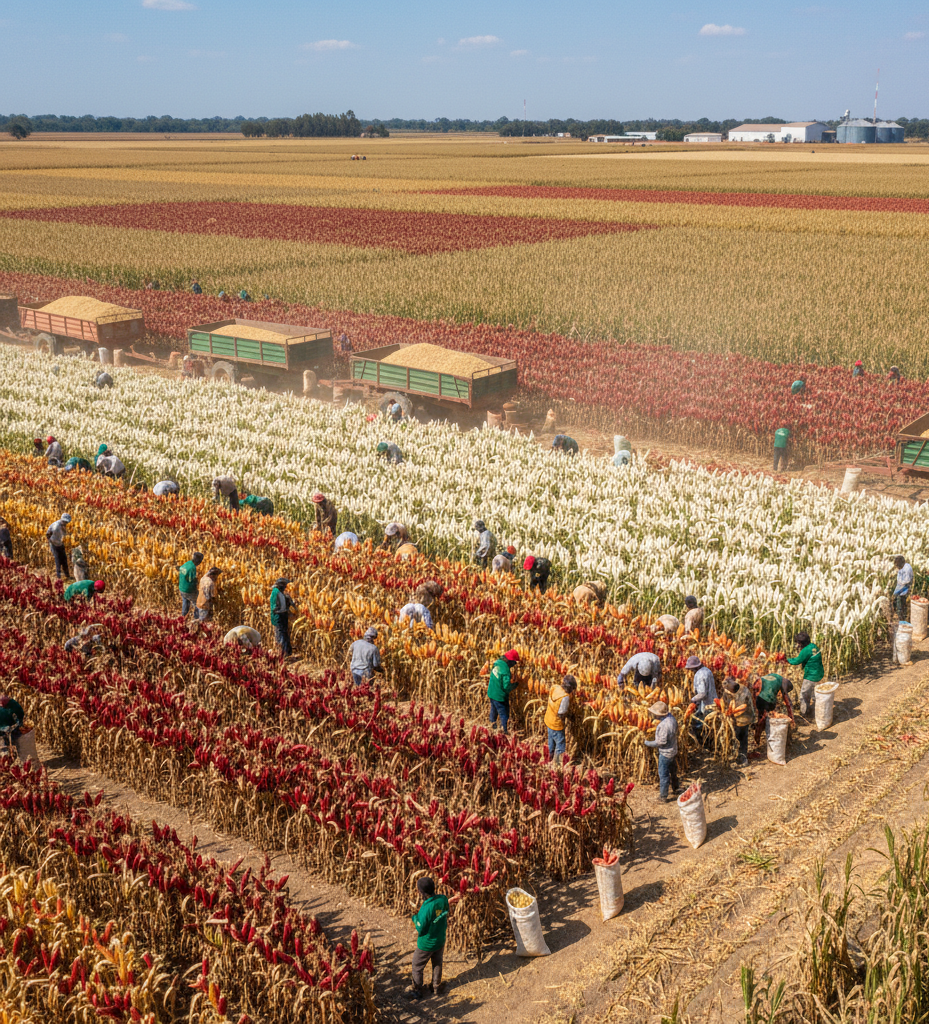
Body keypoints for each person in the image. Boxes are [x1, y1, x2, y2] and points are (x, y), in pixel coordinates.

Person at [408, 876, 449, 1002]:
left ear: (422, 893)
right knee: (437, 963)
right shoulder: (443, 899)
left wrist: (414, 917)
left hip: (426, 944)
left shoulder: (426, 908)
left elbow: (420, 928)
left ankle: (417, 991)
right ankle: (436, 987)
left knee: (417, 965)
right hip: (440, 940)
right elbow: (444, 913)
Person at [644, 701, 679, 802]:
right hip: (673, 750)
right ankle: (676, 789)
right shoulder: (672, 719)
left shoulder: (663, 725)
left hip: (665, 754)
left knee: (663, 774)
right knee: (673, 772)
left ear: (659, 714)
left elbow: (661, 742)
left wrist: (647, 743)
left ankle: (663, 796)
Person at [753, 672, 796, 748]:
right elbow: (788, 703)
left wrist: (755, 698)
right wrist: (791, 718)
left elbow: (756, 685)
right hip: (767, 699)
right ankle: (783, 740)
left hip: (759, 697)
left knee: (761, 718)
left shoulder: (775, 676)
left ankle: (757, 739)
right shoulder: (784, 683)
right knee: (767, 719)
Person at [787, 631, 824, 716]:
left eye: (798, 643)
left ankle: (804, 713)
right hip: (819, 673)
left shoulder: (806, 650)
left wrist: (786, 660)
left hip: (811, 676)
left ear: (801, 643)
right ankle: (817, 711)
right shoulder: (813, 646)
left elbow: (797, 661)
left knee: (804, 695)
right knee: (816, 694)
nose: (797, 645)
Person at [544, 674, 577, 765]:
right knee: (560, 745)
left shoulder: (555, 687)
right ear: (570, 688)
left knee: (551, 741)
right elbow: (561, 713)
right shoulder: (565, 697)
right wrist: (570, 717)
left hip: (548, 719)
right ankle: (557, 764)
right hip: (556, 724)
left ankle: (549, 759)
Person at [724, 678, 756, 766]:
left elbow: (743, 707)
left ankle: (743, 758)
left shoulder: (743, 692)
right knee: (736, 737)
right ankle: (737, 755)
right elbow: (729, 701)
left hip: (745, 717)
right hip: (736, 718)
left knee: (742, 738)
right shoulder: (732, 689)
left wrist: (731, 712)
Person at [487, 649, 519, 735]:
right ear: (510, 661)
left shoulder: (497, 663)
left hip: (491, 692)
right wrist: (515, 685)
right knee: (503, 714)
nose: (514, 665)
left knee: (493, 712)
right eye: (514, 662)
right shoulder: (505, 670)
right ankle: (503, 732)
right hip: (499, 696)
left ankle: (492, 729)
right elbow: (506, 686)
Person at [686, 655, 717, 744]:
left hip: (706, 705)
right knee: (710, 725)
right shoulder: (707, 670)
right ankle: (710, 743)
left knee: (698, 724)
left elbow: (702, 693)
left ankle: (704, 744)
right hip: (713, 702)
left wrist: (693, 700)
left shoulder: (700, 675)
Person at [270, 577, 295, 656]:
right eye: (284, 585)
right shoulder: (275, 592)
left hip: (283, 615)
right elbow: (274, 607)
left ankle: (287, 652)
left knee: (284, 633)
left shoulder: (281, 593)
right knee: (280, 635)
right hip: (278, 616)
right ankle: (282, 652)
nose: (285, 587)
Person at [46, 513, 71, 579]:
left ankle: (67, 575)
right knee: (58, 560)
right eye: (65, 522)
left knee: (64, 560)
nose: (66, 523)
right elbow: (48, 534)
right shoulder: (56, 526)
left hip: (60, 544)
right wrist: (51, 542)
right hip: (54, 545)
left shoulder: (63, 525)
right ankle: (58, 577)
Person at [178, 552, 203, 617]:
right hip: (187, 590)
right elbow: (191, 580)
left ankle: (183, 616)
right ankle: (196, 617)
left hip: (181, 587)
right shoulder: (192, 568)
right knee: (198, 602)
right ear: (198, 561)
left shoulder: (187, 563)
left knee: (185, 601)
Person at [893, 555, 913, 621]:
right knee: (899, 605)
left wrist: (896, 592)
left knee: (901, 606)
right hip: (900, 588)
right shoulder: (902, 567)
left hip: (904, 590)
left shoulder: (907, 569)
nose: (897, 567)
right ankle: (901, 618)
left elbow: (906, 582)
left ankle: (902, 620)